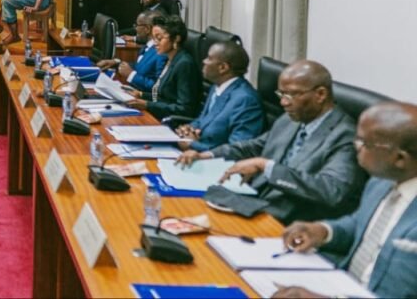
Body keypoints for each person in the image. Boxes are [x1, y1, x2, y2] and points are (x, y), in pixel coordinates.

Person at [177, 60, 366, 224]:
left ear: (320, 94)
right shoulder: (292, 119)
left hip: (292, 222)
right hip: (255, 202)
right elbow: (254, 146)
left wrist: (266, 166)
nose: (283, 103)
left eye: (291, 95)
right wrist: (206, 155)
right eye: (281, 94)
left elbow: (332, 190)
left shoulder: (345, 135)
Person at [274, 102, 417, 299]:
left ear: (400, 159)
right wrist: (324, 231)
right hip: (340, 283)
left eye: (364, 143)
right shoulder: (381, 182)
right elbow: (361, 225)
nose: (355, 146)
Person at [174, 41, 264, 151]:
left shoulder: (246, 100)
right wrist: (188, 129)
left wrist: (193, 145)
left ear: (223, 67)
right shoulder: (217, 85)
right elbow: (203, 119)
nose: (204, 61)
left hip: (210, 158)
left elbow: (237, 150)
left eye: (209, 58)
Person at [126, 16, 201, 120]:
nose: (155, 43)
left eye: (159, 38)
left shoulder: (185, 64)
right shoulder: (169, 59)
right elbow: (164, 97)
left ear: (176, 39)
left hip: (173, 123)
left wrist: (148, 105)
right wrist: (141, 94)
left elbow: (185, 109)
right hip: (161, 115)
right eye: (154, 38)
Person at [99, 10, 169, 92]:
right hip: (132, 93)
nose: (135, 28)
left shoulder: (161, 53)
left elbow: (158, 87)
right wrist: (117, 63)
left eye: (137, 25)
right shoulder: (147, 46)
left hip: (141, 97)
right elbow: (140, 67)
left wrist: (131, 75)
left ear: (147, 29)